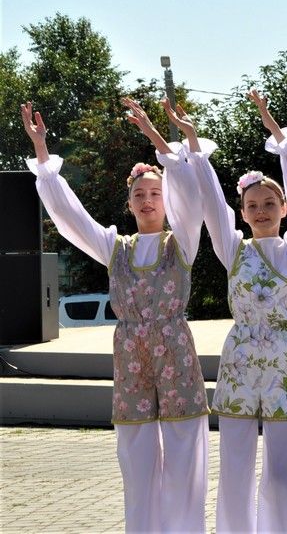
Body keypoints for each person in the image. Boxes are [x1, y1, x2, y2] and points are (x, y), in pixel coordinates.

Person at [21, 99, 209, 532]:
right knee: (136, 455)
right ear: (128, 204)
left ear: (168, 202)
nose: (147, 200)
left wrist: (154, 136)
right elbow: (70, 217)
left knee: (183, 451)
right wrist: (44, 154)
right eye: (139, 195)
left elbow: (192, 194)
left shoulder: (182, 241)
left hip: (175, 349)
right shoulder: (114, 248)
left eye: (156, 194)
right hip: (131, 355)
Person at [180, 90, 287, 532]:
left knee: (282, 468)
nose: (261, 211)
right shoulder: (233, 248)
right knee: (235, 464)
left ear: (284, 209)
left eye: (269, 204)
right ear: (242, 212)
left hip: (286, 362)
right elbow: (211, 203)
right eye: (252, 206)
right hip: (239, 359)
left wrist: (280, 138)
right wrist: (196, 149)